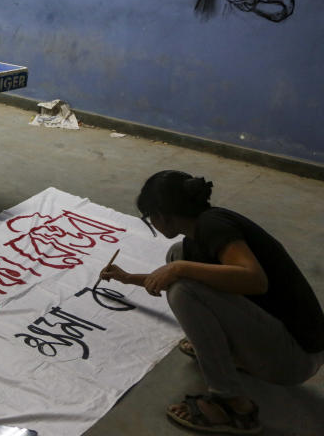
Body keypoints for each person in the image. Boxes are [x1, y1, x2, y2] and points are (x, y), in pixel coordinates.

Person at [100, 171, 324, 434]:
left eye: (151, 218)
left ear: (162, 215)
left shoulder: (214, 226)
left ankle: (234, 406)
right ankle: (230, 353)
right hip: (288, 342)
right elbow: (180, 272)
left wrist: (180, 269)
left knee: (183, 288)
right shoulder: (200, 229)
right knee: (178, 258)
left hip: (292, 358)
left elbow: (255, 280)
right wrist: (127, 278)